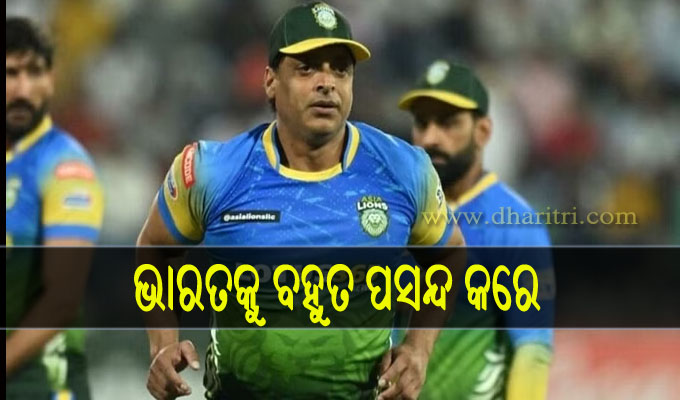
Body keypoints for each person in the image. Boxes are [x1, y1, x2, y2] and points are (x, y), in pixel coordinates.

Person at [137, 3, 464, 399]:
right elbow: (154, 247)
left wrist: (418, 349)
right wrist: (162, 344)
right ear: (270, 81)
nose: (327, 83)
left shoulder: (403, 169)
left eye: (340, 69)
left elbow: (449, 255)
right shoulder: (213, 170)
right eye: (307, 68)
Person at [396, 59, 555, 399]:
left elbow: (532, 352)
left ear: (483, 131)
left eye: (448, 123)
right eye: (422, 123)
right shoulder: (394, 211)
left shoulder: (514, 224)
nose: (430, 137)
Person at [6, 16, 104, 399]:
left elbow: (62, 298)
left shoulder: (64, 165)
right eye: (11, 73)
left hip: (43, 383)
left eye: (34, 72)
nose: (23, 89)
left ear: (51, 80)